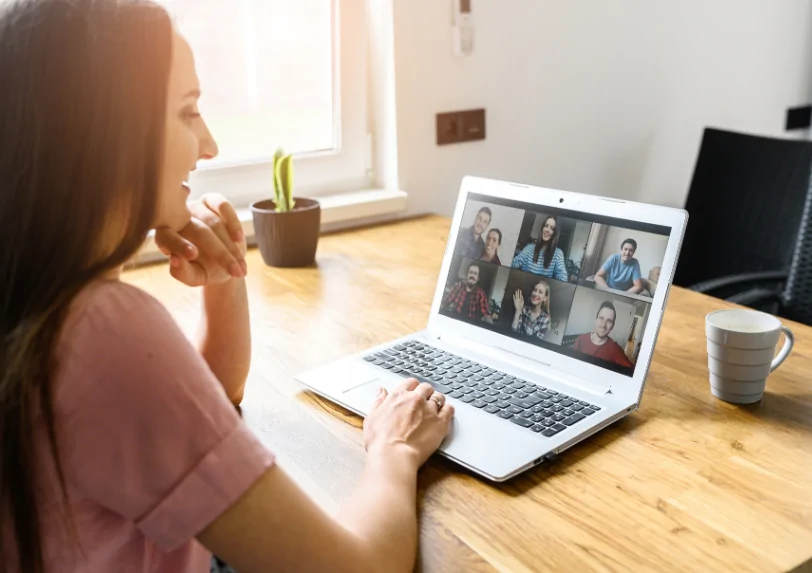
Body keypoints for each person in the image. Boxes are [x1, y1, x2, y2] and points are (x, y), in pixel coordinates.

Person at [0, 2, 454, 573]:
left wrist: (221, 279)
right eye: (188, 111)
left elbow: (202, 407)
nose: (209, 145)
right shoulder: (100, 328)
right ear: (104, 131)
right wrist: (394, 451)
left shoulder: (39, 291)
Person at [572, 302, 634, 368]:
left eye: (609, 321)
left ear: (612, 326)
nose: (603, 325)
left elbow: (633, 372)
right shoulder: (581, 339)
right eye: (601, 318)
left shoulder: (615, 350)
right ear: (596, 320)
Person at [511, 216, 568, 282]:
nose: (547, 230)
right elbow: (513, 263)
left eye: (552, 228)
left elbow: (563, 278)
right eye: (546, 226)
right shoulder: (529, 248)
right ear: (542, 228)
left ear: (555, 233)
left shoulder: (558, 253)